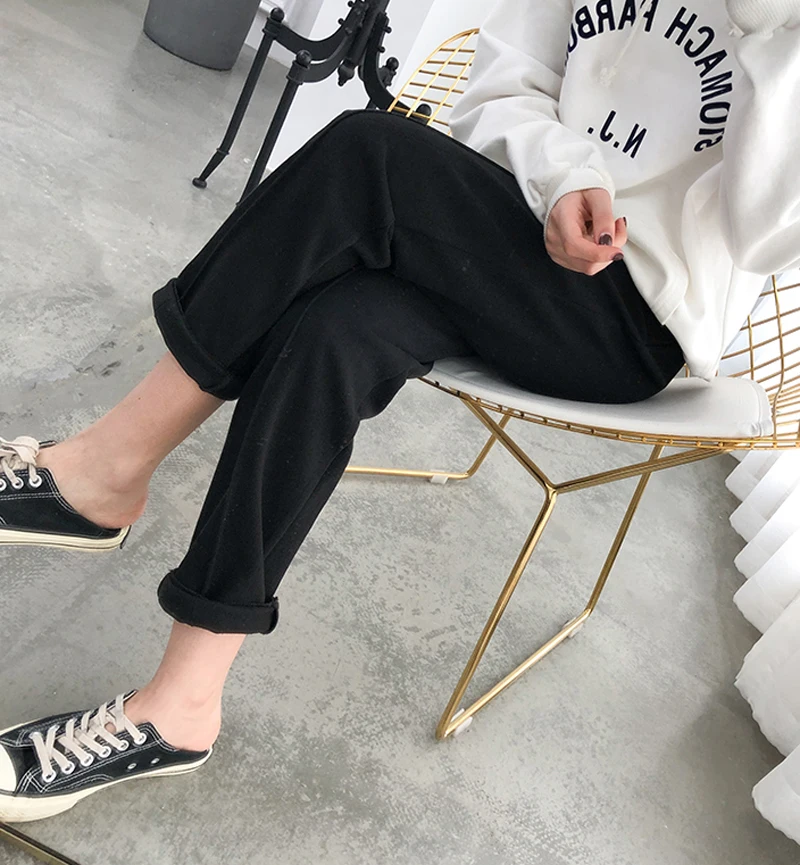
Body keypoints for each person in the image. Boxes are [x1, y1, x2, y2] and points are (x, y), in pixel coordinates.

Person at [1, 0, 798, 824]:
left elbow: (763, 233)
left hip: (631, 316)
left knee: (366, 151)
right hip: (508, 224)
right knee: (334, 329)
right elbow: (502, 82)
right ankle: (184, 702)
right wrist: (568, 176)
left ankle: (106, 472)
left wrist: (771, 33)